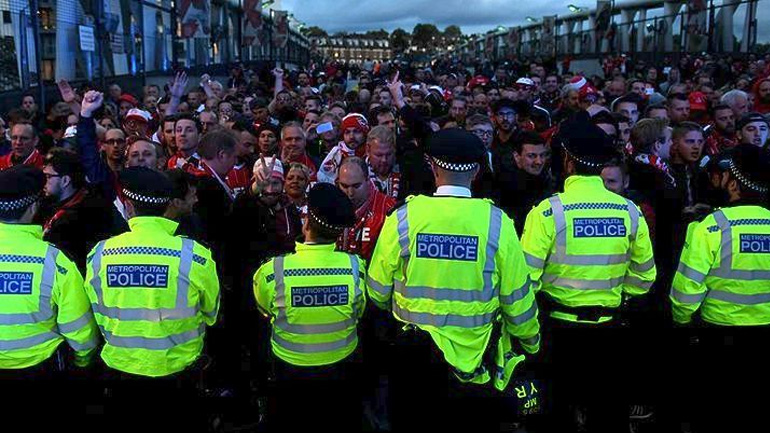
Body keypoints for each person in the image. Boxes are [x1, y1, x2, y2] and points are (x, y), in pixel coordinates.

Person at [367, 128, 540, 432]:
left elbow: (377, 291)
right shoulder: (497, 222)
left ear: (433, 168)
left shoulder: (404, 218)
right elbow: (517, 300)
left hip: (413, 362)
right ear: (476, 171)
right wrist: (531, 342)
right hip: (475, 365)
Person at [521, 112, 656, 433]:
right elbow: (644, 277)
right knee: (608, 415)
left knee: (557, 416)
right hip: (610, 330)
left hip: (558, 330)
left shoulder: (548, 211)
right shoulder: (629, 211)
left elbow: (526, 279)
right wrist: (617, 295)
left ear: (568, 161)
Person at [84, 166, 219, 429]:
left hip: (119, 374)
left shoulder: (100, 254)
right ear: (168, 206)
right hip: (179, 377)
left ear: (129, 207)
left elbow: (93, 308)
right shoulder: (195, 255)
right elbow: (211, 314)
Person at [670, 143, 770, 432]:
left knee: (717, 413)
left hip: (718, 335)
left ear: (734, 183)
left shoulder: (711, 226)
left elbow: (686, 291)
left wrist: (682, 322)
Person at [253, 183, 364, 432]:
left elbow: (264, 309)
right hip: (340, 372)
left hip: (289, 374)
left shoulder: (273, 271)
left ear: (306, 223)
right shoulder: (355, 269)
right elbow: (359, 311)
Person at [0, 165, 100, 425]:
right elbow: (80, 332)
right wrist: (81, 362)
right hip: (39, 374)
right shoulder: (55, 262)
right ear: (33, 207)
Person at [37, 148, 127, 273]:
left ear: (65, 181)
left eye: (48, 177)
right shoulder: (43, 205)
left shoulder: (97, 209)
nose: (44, 182)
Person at [336, 157, 396, 261]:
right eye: (344, 186)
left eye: (356, 186)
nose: (350, 193)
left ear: (368, 181)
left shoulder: (389, 209)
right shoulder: (330, 208)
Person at [498, 131, 554, 235]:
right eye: (532, 156)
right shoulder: (503, 187)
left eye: (542, 155)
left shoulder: (549, 182)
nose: (539, 161)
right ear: (517, 156)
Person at [317, 113, 370, 184]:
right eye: (347, 132)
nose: (351, 137)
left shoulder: (373, 153)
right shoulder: (336, 153)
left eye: (356, 132)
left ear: (365, 134)